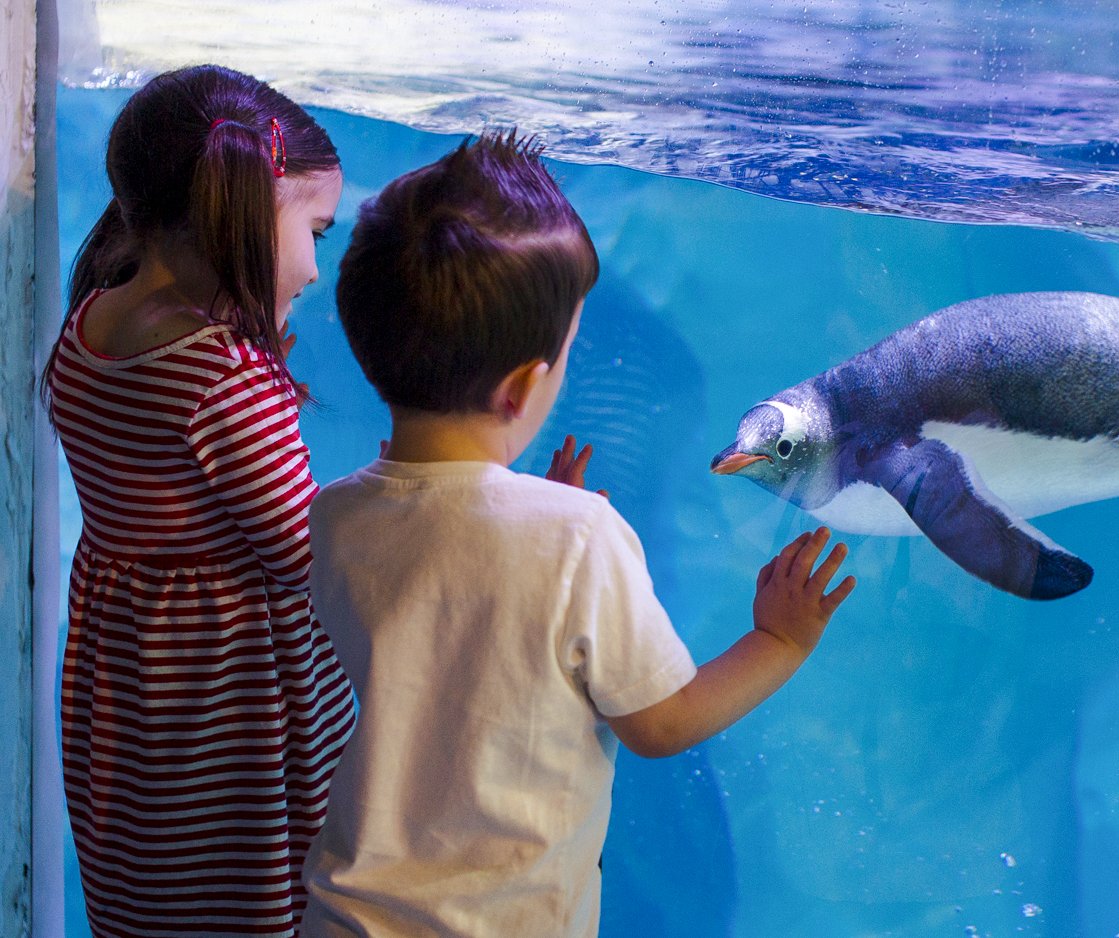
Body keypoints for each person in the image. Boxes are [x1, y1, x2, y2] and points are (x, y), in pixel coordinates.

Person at [298, 132, 857, 937]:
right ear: (528, 384)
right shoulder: (578, 537)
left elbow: (441, 629)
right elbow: (660, 724)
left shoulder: (336, 515)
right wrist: (780, 640)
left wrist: (539, 521)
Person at [42, 65, 356, 937]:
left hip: (131, 680)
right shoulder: (224, 375)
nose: (315, 269)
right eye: (314, 231)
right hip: (231, 697)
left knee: (159, 889)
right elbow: (303, 556)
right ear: (241, 209)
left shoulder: (89, 325)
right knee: (254, 895)